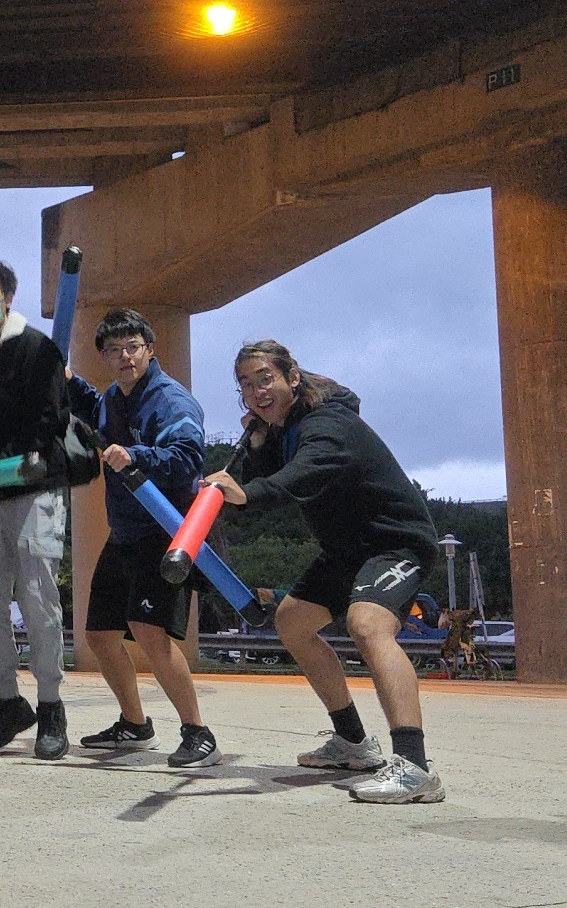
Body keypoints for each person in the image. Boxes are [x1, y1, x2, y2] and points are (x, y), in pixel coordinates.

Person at [204, 339, 446, 804]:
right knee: (292, 621)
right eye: (246, 385)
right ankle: (353, 743)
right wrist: (256, 443)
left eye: (265, 379)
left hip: (396, 542)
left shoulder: (329, 423)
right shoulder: (285, 430)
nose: (256, 392)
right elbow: (272, 472)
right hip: (346, 550)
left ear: (292, 377)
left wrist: (249, 491)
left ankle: (415, 769)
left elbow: (300, 476)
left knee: (367, 623)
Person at [65, 309, 218, 766]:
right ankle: (135, 725)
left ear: (150, 348)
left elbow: (188, 458)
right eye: (113, 350)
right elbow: (95, 410)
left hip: (168, 530)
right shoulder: (114, 396)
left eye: (131, 346)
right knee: (99, 634)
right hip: (126, 531)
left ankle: (198, 732)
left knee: (151, 632)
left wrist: (135, 454)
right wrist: (67, 379)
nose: (123, 356)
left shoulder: (172, 401)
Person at [0, 254, 71, 759]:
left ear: (7, 296)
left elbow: (50, 422)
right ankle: (9, 701)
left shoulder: (37, 349)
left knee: (40, 603)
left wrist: (8, 466)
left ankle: (50, 708)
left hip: (33, 492)